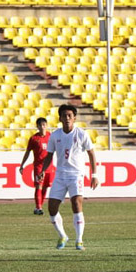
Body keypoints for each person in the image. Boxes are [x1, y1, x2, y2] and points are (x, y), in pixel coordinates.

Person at [38, 104, 99, 251]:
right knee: (52, 208)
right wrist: (43, 170)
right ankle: (63, 236)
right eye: (64, 116)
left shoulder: (82, 134)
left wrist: (94, 175)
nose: (67, 118)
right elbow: (49, 155)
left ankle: (79, 240)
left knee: (76, 204)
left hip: (76, 175)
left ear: (74, 118)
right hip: (60, 175)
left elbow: (91, 153)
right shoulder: (55, 135)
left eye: (69, 116)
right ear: (59, 118)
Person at [19, 117, 55, 215]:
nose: (42, 127)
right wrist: (22, 164)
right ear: (37, 127)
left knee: (45, 187)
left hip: (49, 167)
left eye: (44, 125)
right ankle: (38, 207)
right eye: (40, 125)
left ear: (46, 126)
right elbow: (27, 152)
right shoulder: (34, 139)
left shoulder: (51, 137)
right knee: (39, 186)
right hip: (39, 167)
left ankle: (39, 207)